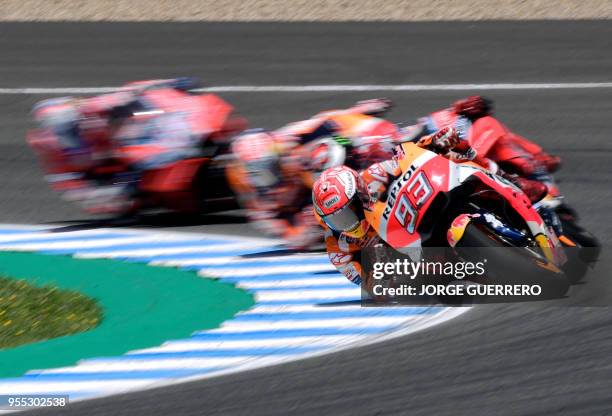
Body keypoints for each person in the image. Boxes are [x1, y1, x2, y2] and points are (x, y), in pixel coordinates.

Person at [312, 126, 543, 286]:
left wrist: (431, 143)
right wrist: (383, 274)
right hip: (410, 266)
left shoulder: (373, 176)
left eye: (347, 213)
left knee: (457, 153)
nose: (346, 224)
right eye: (336, 220)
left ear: (359, 194)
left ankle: (508, 179)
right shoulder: (337, 249)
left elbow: (403, 157)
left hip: (416, 217)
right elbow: (369, 285)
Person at [29, 77, 231, 214]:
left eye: (77, 119)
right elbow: (77, 191)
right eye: (71, 127)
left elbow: (134, 90)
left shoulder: (91, 109)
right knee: (156, 187)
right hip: (124, 177)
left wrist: (172, 83)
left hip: (153, 131)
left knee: (202, 123)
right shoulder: (58, 154)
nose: (80, 125)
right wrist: (123, 191)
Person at [226, 98, 404, 249]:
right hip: (318, 208)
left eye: (274, 164)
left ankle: (402, 146)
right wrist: (311, 224)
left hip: (330, 172)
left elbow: (325, 120)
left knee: (357, 143)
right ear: (248, 175)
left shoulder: (285, 140)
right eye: (266, 171)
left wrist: (357, 113)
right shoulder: (257, 204)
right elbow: (294, 238)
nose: (274, 172)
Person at [409, 95, 560, 198]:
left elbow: (475, 103)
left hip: (460, 152)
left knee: (493, 131)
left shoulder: (452, 117)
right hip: (442, 163)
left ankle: (537, 167)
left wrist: (465, 105)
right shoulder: (404, 151)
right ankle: (535, 168)